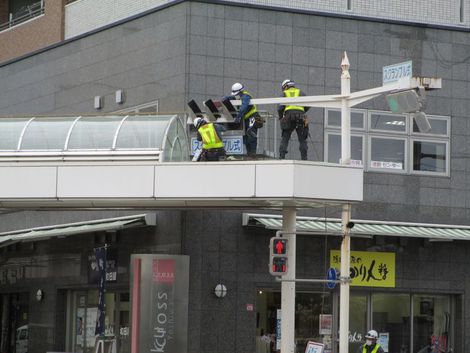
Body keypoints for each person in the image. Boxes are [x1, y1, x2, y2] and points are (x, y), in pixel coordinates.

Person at [227, 82, 263, 158]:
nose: (235, 95)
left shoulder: (246, 96)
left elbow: (243, 107)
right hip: (247, 119)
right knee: (246, 136)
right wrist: (225, 98)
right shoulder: (239, 96)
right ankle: (249, 153)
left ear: (240, 91)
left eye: (236, 94)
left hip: (252, 117)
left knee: (251, 134)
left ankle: (252, 154)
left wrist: (238, 117)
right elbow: (231, 97)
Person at [277, 79, 310, 160]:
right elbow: (309, 104)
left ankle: (282, 156)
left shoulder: (284, 93)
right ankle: (304, 158)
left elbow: (280, 108)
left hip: (289, 117)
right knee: (302, 139)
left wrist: (281, 118)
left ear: (286, 86)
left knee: (285, 137)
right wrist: (302, 111)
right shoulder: (301, 93)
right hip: (301, 117)